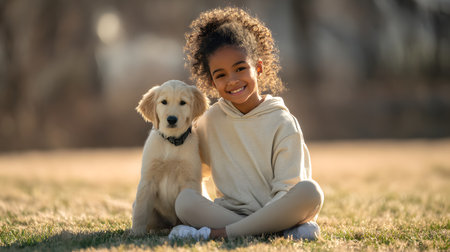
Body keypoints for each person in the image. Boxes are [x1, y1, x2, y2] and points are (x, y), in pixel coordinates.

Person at [168, 7, 324, 241]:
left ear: (258, 68)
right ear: (211, 80)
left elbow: (289, 188)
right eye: (220, 75)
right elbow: (192, 173)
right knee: (184, 201)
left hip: (278, 209)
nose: (232, 80)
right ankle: (275, 232)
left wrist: (272, 215)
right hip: (230, 214)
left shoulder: (282, 121)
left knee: (310, 192)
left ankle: (218, 235)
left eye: (240, 68)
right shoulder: (209, 121)